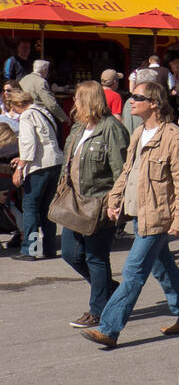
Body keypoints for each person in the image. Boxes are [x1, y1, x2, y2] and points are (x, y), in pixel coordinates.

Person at [81, 80, 179, 348]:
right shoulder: (138, 133)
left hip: (158, 216)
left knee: (133, 271)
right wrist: (115, 200)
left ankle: (109, 329)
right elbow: (127, 171)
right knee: (163, 267)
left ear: (155, 103)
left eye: (137, 96)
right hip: (139, 213)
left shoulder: (174, 137)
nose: (130, 100)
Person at [57, 81, 129, 327]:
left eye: (78, 98)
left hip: (99, 202)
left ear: (89, 100)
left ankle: (98, 310)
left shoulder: (112, 129)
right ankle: (108, 287)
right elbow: (68, 162)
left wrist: (115, 202)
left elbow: (122, 171)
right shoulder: (78, 128)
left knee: (96, 258)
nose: (74, 102)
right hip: (74, 202)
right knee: (70, 254)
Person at [9, 87, 63, 260]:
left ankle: (30, 249)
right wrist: (22, 157)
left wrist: (20, 168)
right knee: (47, 208)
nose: (14, 112)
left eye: (13, 107)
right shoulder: (43, 111)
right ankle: (49, 248)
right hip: (54, 163)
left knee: (30, 207)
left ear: (18, 104)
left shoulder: (26, 116)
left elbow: (28, 143)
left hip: (38, 167)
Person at [19, 59, 68, 128]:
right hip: (38, 116)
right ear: (45, 70)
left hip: (23, 113)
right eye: (47, 70)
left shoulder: (23, 79)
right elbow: (51, 104)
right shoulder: (41, 82)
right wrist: (64, 118)